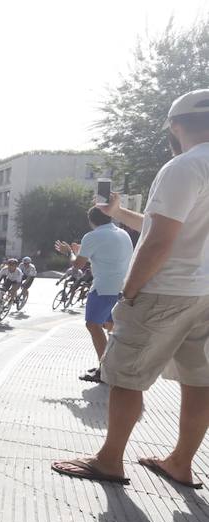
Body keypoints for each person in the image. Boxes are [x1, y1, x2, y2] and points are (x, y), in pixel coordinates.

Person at [52, 89, 209, 487]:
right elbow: (171, 227)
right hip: (205, 293)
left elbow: (159, 241)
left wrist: (130, 293)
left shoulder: (184, 167)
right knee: (200, 380)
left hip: (166, 289)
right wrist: (120, 214)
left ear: (175, 126)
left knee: (125, 376)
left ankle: (109, 460)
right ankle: (180, 462)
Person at [55, 205, 134, 383]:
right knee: (110, 326)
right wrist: (82, 251)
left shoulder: (92, 236)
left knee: (93, 325)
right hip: (123, 288)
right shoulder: (123, 233)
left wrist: (70, 253)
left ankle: (104, 369)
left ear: (91, 221)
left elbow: (77, 266)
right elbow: (106, 257)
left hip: (103, 288)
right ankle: (112, 365)